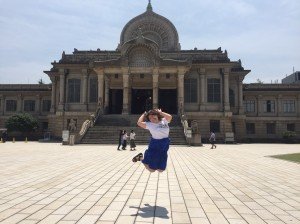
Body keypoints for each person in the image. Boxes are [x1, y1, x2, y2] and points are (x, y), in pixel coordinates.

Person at [132, 109, 172, 173]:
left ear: (157, 115)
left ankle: (141, 158)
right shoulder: (149, 124)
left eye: (153, 116)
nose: (152, 119)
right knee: (152, 170)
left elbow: (170, 117)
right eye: (150, 118)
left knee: (161, 170)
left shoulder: (164, 121)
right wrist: (143, 115)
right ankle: (141, 158)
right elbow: (139, 123)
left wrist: (160, 112)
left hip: (164, 144)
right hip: (155, 145)